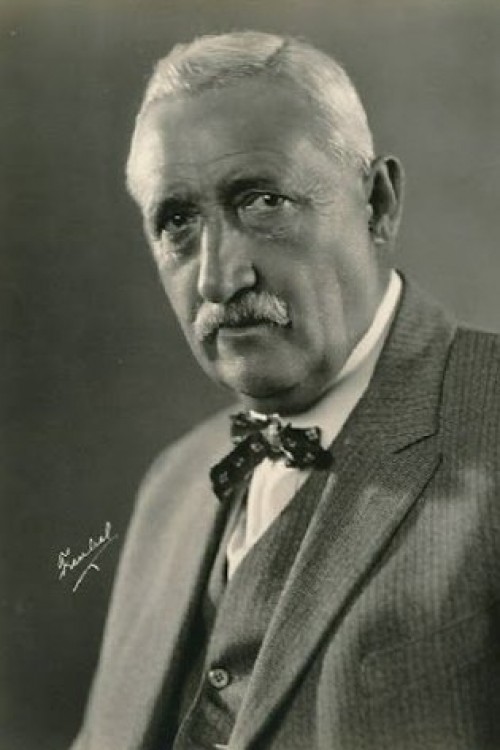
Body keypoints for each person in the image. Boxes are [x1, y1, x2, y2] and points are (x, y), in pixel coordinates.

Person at [70, 31, 500, 750]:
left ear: (377, 204)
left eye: (263, 202)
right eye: (178, 221)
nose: (219, 279)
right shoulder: (173, 483)